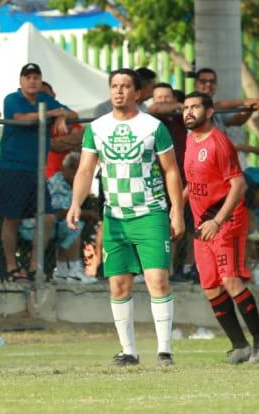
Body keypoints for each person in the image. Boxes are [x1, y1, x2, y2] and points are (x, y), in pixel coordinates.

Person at [66, 69, 185, 367]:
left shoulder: (153, 126)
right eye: (114, 86)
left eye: (125, 86)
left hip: (151, 213)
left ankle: (165, 350)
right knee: (118, 284)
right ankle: (128, 351)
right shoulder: (97, 127)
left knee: (157, 279)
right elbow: (84, 169)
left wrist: (177, 210)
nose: (119, 91)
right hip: (115, 217)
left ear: (137, 93)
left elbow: (171, 170)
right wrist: (75, 203)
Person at [181, 92, 259, 364]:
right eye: (185, 107)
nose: (188, 112)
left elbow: (239, 185)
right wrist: (175, 208)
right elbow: (193, 183)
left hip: (225, 220)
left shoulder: (219, 143)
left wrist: (218, 220)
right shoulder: (190, 140)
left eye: (195, 107)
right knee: (210, 285)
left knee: (230, 280)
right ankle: (240, 345)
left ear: (209, 112)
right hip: (202, 224)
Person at [0, 64, 73, 282]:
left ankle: (34, 266)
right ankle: (11, 267)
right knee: (11, 219)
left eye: (36, 77)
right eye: (28, 77)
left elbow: (70, 112)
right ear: (21, 80)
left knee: (48, 218)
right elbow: (21, 118)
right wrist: (51, 113)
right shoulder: (12, 98)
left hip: (36, 171)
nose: (32, 81)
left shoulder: (44, 98)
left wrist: (61, 115)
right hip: (12, 168)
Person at [46, 156, 91, 282]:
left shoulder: (73, 184)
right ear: (66, 170)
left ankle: (62, 271)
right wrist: (87, 214)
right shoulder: (57, 183)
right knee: (74, 223)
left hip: (59, 223)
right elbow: (59, 212)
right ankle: (75, 271)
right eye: (74, 170)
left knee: (72, 223)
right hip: (47, 224)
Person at [189, 67, 258, 127]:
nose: (208, 84)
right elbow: (216, 106)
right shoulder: (188, 104)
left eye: (212, 81)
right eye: (203, 81)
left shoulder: (217, 111)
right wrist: (245, 102)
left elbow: (237, 121)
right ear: (195, 84)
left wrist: (249, 109)